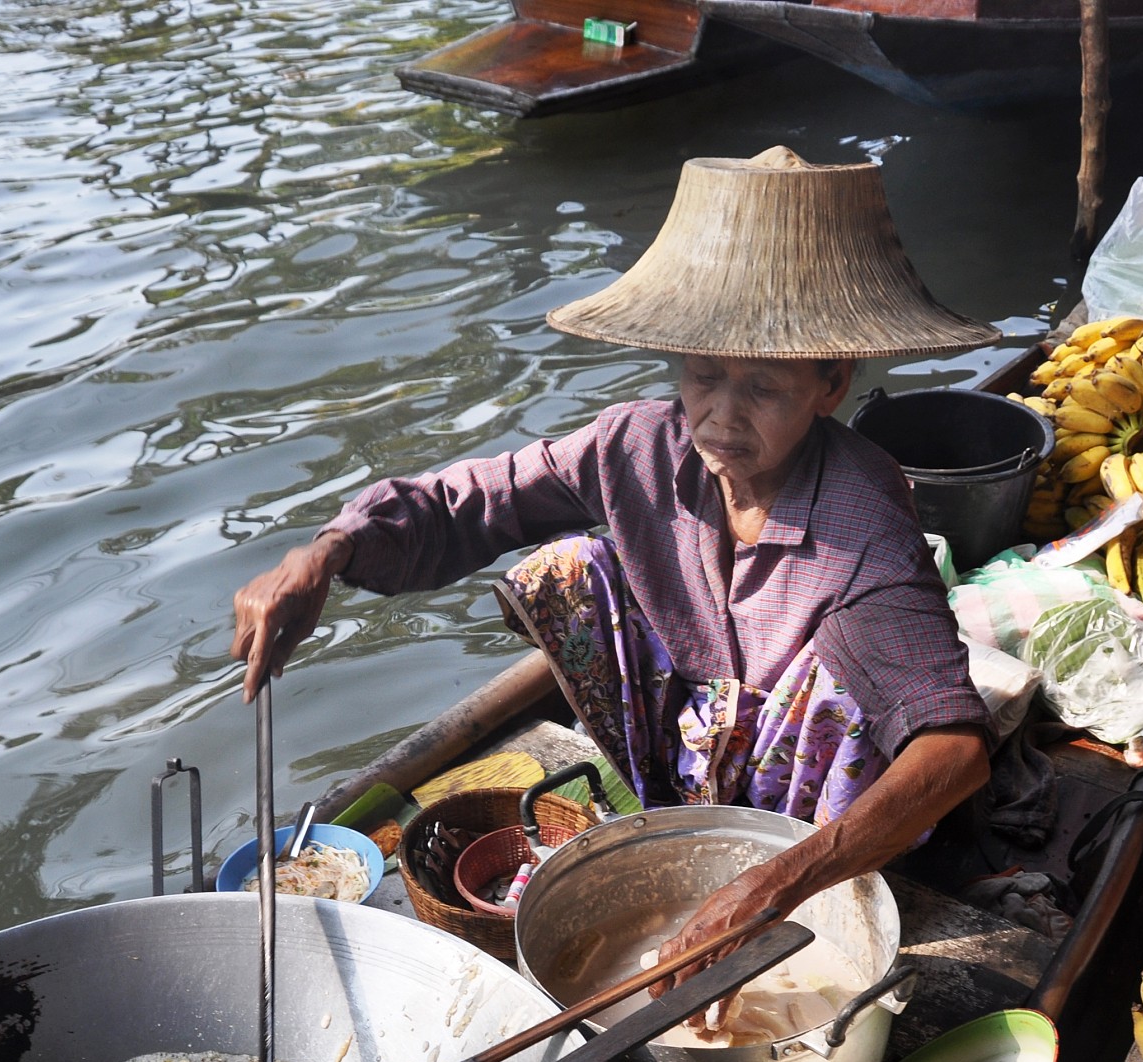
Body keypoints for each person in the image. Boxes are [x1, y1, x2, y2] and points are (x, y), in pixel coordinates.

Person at [229, 148, 998, 968]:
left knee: (853, 674)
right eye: (703, 377)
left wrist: (780, 880)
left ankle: (792, 848)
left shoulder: (862, 513)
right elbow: (475, 500)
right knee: (568, 568)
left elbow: (953, 749)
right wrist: (329, 550)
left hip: (811, 788)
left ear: (831, 383)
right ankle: (678, 797)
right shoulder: (635, 445)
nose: (721, 417)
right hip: (699, 731)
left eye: (764, 389)